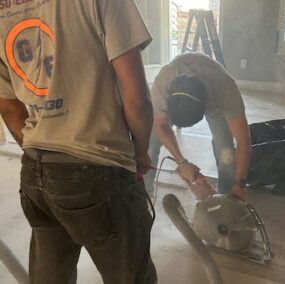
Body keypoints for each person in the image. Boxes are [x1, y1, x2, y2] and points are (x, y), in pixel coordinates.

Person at [0, 1, 157, 283]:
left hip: (36, 171)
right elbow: (139, 99)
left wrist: (43, 152)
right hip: (98, 165)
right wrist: (141, 150)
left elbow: (9, 108)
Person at [145, 53, 251, 201]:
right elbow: (161, 125)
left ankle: (228, 199)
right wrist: (182, 162)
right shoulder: (162, 85)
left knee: (225, 150)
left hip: (215, 95)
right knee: (150, 144)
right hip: (178, 84)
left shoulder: (226, 90)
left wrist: (240, 184)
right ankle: (143, 194)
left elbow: (243, 140)